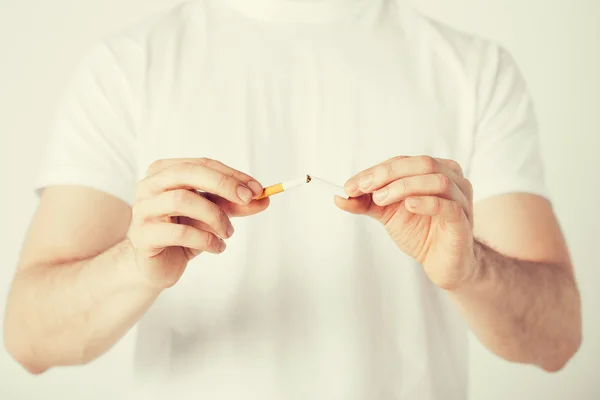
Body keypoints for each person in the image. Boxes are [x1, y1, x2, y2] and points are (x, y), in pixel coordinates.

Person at [3, 0, 582, 399]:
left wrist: (471, 269)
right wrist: (134, 266)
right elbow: (28, 338)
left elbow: (558, 339)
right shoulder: (128, 68)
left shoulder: (474, 70)